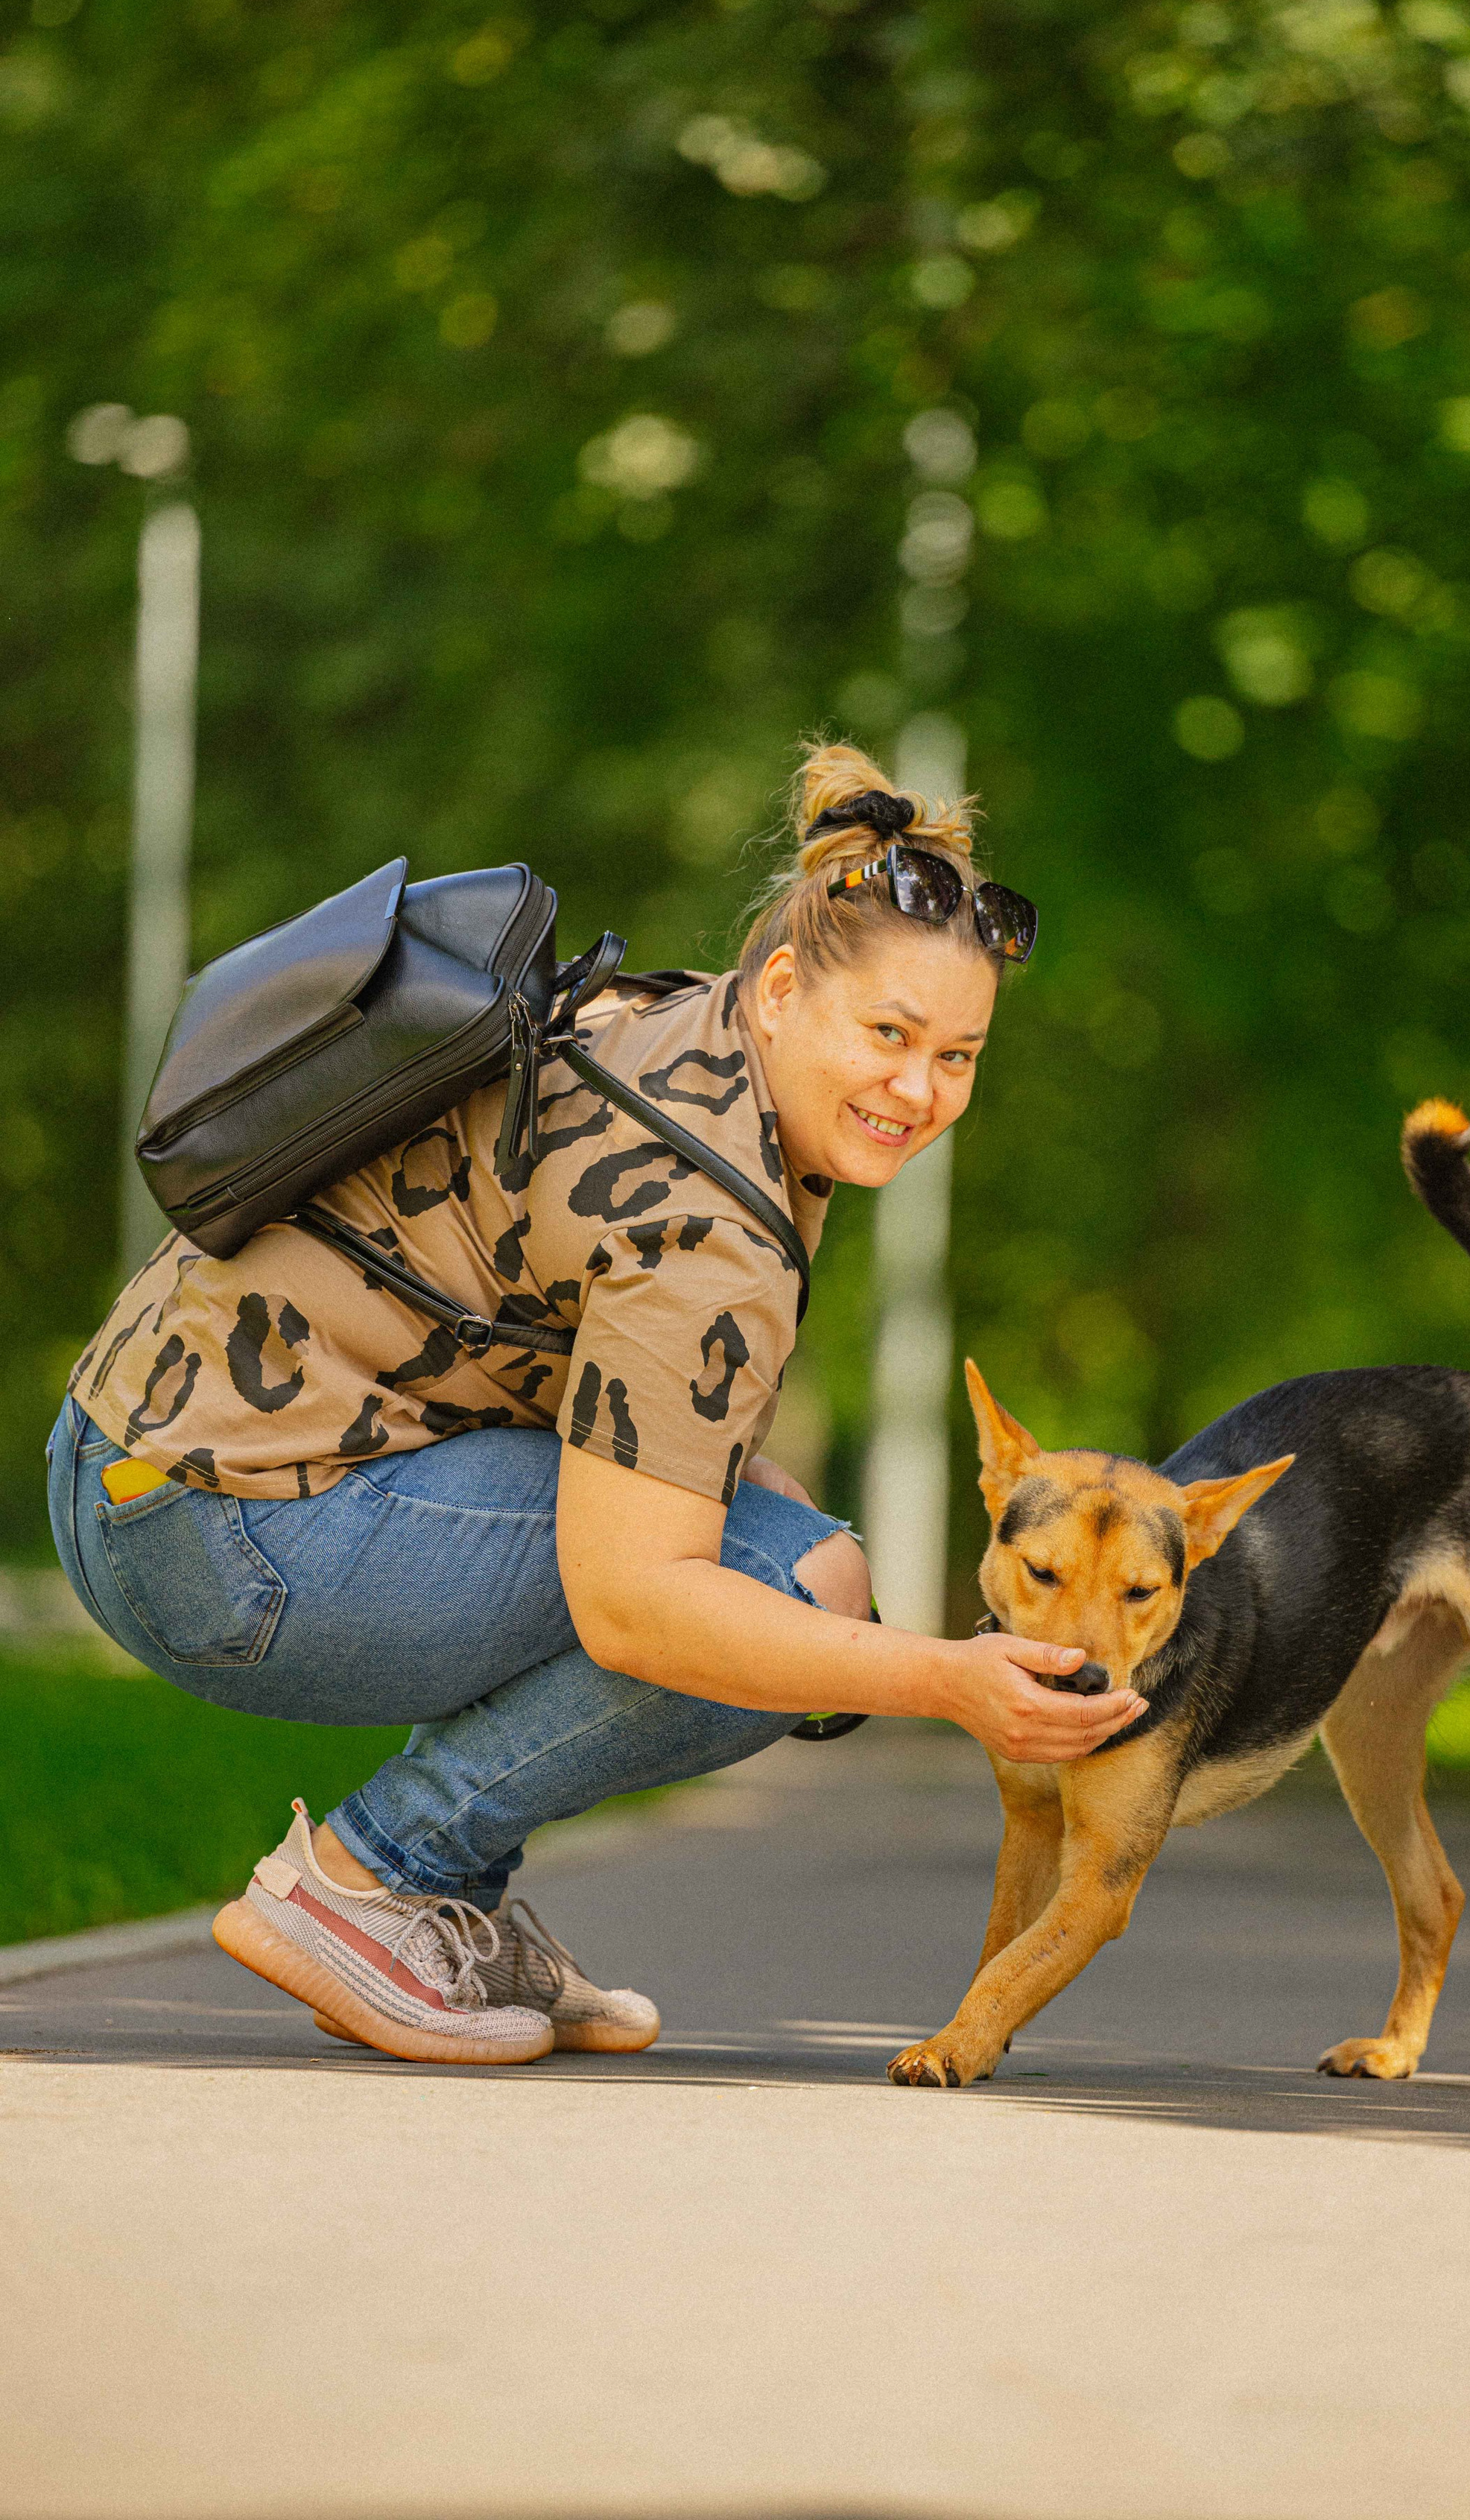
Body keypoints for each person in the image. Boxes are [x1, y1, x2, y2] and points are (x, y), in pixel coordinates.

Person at [47, 742, 1144, 2065]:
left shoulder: (664, 1020)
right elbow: (633, 1605)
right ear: (784, 991)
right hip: (226, 1538)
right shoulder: (712, 1222)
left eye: (958, 1055)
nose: (920, 1090)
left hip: (123, 1459)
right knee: (796, 1584)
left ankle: (446, 1905)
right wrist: (944, 1679)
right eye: (890, 1035)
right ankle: (377, 1878)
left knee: (758, 1524)